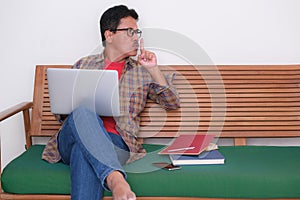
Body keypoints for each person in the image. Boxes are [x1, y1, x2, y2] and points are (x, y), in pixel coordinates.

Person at [42, 4, 180, 200]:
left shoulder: (141, 72)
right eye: (130, 32)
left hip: (117, 143)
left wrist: (154, 69)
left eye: (137, 32)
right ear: (109, 34)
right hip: (71, 138)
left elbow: (172, 102)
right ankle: (116, 179)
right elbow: (60, 113)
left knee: (84, 153)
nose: (136, 38)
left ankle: (112, 176)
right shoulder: (83, 65)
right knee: (83, 112)